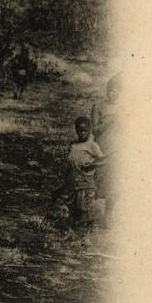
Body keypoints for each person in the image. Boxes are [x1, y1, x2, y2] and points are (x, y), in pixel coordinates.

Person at [55, 117, 107, 230]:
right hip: (73, 182)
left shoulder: (92, 145)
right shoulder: (73, 144)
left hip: (86, 182)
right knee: (72, 207)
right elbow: (70, 162)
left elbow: (103, 160)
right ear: (76, 130)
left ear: (89, 130)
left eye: (85, 131)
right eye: (80, 131)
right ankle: (73, 230)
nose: (82, 133)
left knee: (86, 207)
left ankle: (89, 231)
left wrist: (92, 164)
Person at [91, 75, 120, 217]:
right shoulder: (98, 106)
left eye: (117, 91)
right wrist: (109, 122)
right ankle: (90, 216)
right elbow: (94, 130)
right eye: (111, 90)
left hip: (117, 150)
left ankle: (108, 216)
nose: (113, 93)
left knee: (113, 184)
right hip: (101, 148)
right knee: (97, 181)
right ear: (107, 91)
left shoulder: (124, 108)